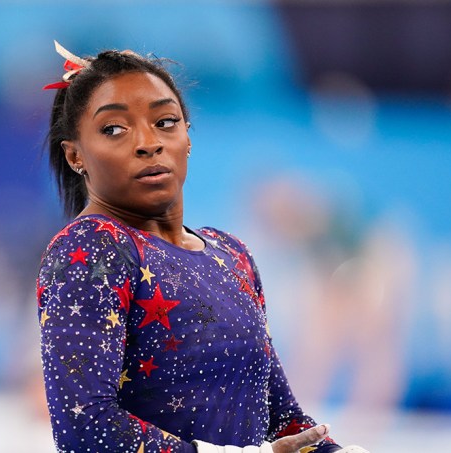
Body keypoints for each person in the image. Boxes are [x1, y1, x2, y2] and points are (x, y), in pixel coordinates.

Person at [36, 41, 369, 453]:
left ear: (187, 137)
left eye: (165, 122)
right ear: (75, 156)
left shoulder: (231, 254)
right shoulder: (93, 248)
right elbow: (85, 427)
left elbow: (281, 419)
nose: (147, 143)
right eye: (114, 129)